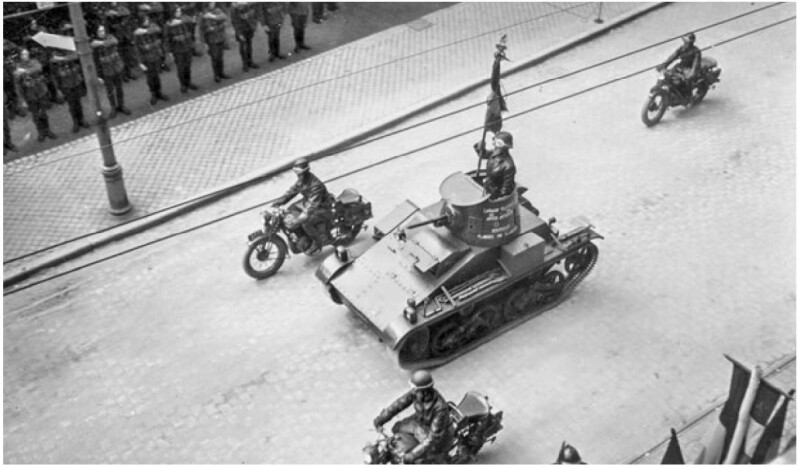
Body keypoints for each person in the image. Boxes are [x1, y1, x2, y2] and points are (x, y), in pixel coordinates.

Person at [373, 370, 455, 464]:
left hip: (439, 436)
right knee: (397, 428)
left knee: (426, 458)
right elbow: (399, 404)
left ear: (424, 391)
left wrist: (413, 454)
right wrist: (381, 419)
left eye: (415, 389)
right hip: (420, 423)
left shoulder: (440, 408)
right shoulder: (416, 393)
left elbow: (434, 437)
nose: (413, 391)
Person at [272, 158, 334, 253]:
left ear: (304, 172)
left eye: (299, 173)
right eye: (296, 173)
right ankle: (300, 235)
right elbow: (292, 191)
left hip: (322, 206)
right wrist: (279, 202)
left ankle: (317, 242)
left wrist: (301, 217)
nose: (297, 175)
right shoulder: (302, 180)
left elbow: (312, 205)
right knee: (291, 209)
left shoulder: (315, 184)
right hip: (308, 201)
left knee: (305, 222)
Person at [14, 48, 57, 142]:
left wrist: (25, 71)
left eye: (26, 54)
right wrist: (22, 100)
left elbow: (38, 68)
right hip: (29, 94)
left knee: (43, 113)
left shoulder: (33, 62)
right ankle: (41, 132)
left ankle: (47, 130)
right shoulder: (18, 67)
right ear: (20, 56)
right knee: (36, 115)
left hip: (40, 91)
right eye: (23, 54)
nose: (25, 56)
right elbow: (18, 86)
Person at [92, 25, 131, 118]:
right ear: (96, 33)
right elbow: (96, 61)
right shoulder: (94, 44)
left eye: (103, 30)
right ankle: (113, 107)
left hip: (117, 67)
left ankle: (121, 105)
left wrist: (101, 43)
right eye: (100, 31)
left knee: (119, 88)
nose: (102, 33)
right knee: (110, 91)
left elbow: (115, 41)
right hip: (106, 71)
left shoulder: (109, 37)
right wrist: (98, 75)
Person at [50, 42, 90, 133]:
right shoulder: (54, 57)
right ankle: (75, 122)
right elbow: (54, 70)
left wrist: (63, 58)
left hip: (75, 81)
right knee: (72, 105)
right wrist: (58, 88)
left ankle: (81, 119)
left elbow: (76, 56)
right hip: (66, 84)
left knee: (78, 102)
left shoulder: (69, 52)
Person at [134, 13, 170, 106]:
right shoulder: (137, 34)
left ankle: (159, 92)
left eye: (147, 19)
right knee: (150, 78)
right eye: (145, 20)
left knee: (157, 75)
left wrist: (146, 32)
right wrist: (140, 62)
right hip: (146, 58)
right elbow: (137, 49)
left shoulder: (151, 27)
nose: (147, 21)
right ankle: (153, 94)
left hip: (155, 55)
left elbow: (158, 30)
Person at [657, 32, 701, 102]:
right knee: (667, 75)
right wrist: (664, 65)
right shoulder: (681, 48)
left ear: (691, 42)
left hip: (689, 69)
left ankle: (688, 96)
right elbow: (673, 56)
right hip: (681, 66)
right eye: (685, 41)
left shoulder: (696, 51)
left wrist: (692, 73)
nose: (685, 43)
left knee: (687, 81)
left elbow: (696, 63)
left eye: (687, 41)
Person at [165, 6, 199, 93]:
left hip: (187, 46)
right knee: (180, 68)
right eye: (177, 11)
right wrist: (170, 51)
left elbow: (190, 28)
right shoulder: (169, 24)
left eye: (180, 11)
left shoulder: (183, 20)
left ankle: (188, 82)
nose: (179, 13)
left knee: (188, 66)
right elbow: (167, 39)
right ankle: (183, 85)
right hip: (177, 49)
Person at [476, 130, 516, 199]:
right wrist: (480, 148)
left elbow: (505, 190)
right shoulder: (495, 153)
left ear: (503, 145)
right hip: (488, 187)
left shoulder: (509, 166)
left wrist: (495, 199)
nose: (493, 143)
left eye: (496, 142)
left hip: (495, 194)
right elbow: (483, 155)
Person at [104, 3, 139, 81]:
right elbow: (109, 23)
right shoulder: (109, 15)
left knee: (128, 57)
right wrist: (112, 15)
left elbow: (127, 12)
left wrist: (117, 13)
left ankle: (129, 73)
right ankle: (124, 75)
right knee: (120, 59)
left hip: (126, 39)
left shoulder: (120, 9)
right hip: (118, 40)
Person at [201, 3, 230, 82]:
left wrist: (213, 17)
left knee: (220, 57)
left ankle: (221, 73)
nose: (212, 3)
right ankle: (216, 75)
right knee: (215, 58)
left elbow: (224, 17)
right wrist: (204, 42)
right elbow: (203, 29)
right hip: (211, 39)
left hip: (220, 37)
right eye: (210, 2)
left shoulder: (217, 10)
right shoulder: (204, 14)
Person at [231, 2, 260, 72]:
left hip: (249, 29)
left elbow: (254, 16)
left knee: (249, 46)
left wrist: (254, 26)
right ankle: (245, 64)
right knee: (243, 47)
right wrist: (239, 34)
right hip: (241, 31)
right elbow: (235, 23)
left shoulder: (247, 6)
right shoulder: (234, 10)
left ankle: (250, 62)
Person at [4, 40, 26, 119]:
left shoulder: (6, 43)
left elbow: (16, 48)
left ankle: (17, 108)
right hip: (5, 76)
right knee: (7, 94)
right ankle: (12, 109)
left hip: (10, 75)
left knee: (14, 92)